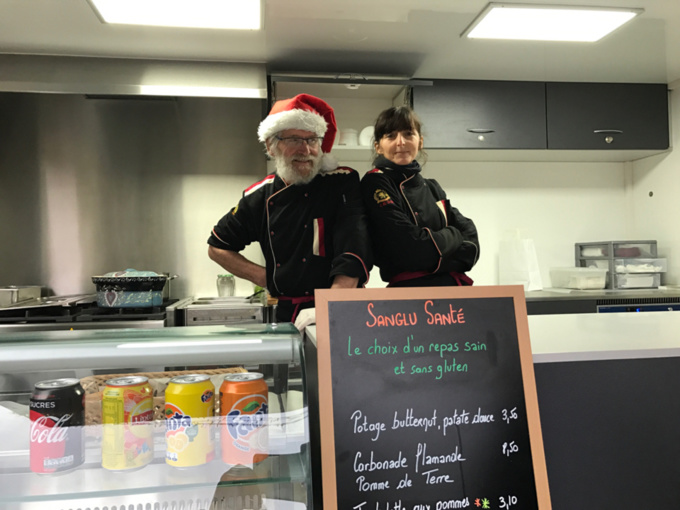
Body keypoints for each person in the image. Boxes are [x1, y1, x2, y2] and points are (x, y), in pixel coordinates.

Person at [208, 94, 372, 325]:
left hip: (342, 306)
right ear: (271, 146)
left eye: (312, 140)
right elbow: (217, 247)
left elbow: (353, 246)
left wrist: (330, 306)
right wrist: (267, 278)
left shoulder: (341, 182)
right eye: (294, 139)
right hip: (289, 315)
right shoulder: (259, 197)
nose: (305, 149)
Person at [360, 106, 479, 287]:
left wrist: (433, 252)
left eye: (408, 134)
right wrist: (453, 235)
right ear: (378, 147)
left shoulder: (432, 187)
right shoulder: (375, 182)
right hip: (408, 292)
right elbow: (411, 248)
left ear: (420, 141)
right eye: (391, 136)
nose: (401, 142)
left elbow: (472, 244)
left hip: (453, 289)